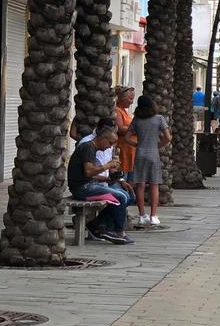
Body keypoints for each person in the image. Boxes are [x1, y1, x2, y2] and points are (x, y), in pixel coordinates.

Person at [68, 122, 135, 243]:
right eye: (110, 143)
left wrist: (109, 179)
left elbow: (89, 174)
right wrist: (107, 166)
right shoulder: (88, 147)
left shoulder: (92, 148)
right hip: (82, 188)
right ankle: (119, 232)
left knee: (127, 195)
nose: (110, 147)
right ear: (102, 138)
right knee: (120, 197)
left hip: (89, 184)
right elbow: (88, 172)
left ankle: (98, 225)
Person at [131, 96, 172, 227]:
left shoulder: (137, 120)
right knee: (154, 185)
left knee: (140, 185)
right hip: (153, 153)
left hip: (140, 153)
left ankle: (142, 215)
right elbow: (168, 137)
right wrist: (159, 145)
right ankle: (153, 215)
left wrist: (137, 144)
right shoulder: (159, 119)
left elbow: (126, 137)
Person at [113, 86, 137, 183]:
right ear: (121, 98)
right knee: (125, 178)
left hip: (130, 150)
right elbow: (120, 128)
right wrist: (136, 129)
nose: (131, 102)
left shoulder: (125, 111)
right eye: (130, 99)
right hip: (123, 150)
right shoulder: (117, 110)